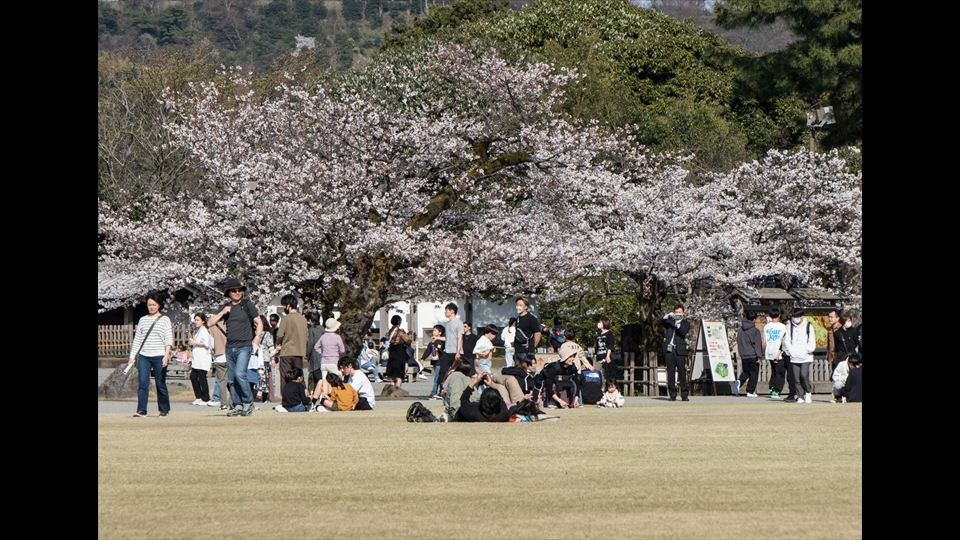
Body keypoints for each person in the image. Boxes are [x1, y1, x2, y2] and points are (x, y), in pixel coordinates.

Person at [206, 277, 263, 417]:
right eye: (234, 291)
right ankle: (237, 404)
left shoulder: (247, 305)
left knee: (240, 374)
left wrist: (256, 337)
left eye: (239, 290)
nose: (237, 293)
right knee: (231, 379)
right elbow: (209, 323)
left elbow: (259, 322)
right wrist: (222, 313)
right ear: (229, 293)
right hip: (230, 346)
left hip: (244, 345)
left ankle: (248, 401)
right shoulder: (226, 307)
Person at [128, 292, 174, 417]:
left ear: (159, 305)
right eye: (149, 305)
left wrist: (166, 355)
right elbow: (137, 339)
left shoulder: (165, 320)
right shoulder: (142, 320)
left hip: (159, 355)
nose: (151, 307)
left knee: (160, 383)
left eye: (154, 305)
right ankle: (141, 409)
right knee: (143, 383)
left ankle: (164, 409)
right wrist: (132, 357)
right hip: (144, 355)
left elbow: (168, 339)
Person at [272, 294, 308, 401]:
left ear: (288, 305)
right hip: (299, 351)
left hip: (287, 351)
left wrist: (278, 344)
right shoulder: (303, 319)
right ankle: (303, 398)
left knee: (285, 377)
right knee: (299, 376)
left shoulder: (285, 319)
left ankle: (286, 400)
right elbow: (306, 336)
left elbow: (280, 335)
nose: (283, 308)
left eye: (284, 305)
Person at [782, 307, 816, 404]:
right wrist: (791, 351)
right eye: (794, 316)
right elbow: (787, 341)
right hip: (794, 356)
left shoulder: (808, 326)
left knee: (803, 375)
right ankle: (800, 395)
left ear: (802, 316)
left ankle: (807, 392)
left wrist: (806, 350)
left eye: (797, 316)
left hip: (806, 356)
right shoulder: (790, 327)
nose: (795, 318)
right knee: (795, 377)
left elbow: (811, 341)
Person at [660, 305, 691, 402]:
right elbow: (660, 323)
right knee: (670, 373)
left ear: (683, 313)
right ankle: (672, 394)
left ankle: (684, 394)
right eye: (676, 312)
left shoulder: (685, 323)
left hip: (680, 351)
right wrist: (667, 316)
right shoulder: (670, 322)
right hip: (670, 350)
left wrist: (678, 324)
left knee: (682, 372)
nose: (678, 314)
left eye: (679, 312)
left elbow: (682, 332)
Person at [540, 343, 581, 409]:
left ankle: (570, 402)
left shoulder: (573, 368)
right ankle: (553, 403)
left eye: (573, 356)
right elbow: (548, 387)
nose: (572, 359)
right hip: (554, 394)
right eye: (570, 357)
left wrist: (576, 400)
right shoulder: (554, 368)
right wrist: (560, 401)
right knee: (554, 385)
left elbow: (577, 385)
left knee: (573, 383)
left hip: (566, 394)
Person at [436, 303, 464, 399]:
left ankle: (459, 391)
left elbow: (459, 338)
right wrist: (437, 338)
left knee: (457, 372)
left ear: (452, 311)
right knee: (442, 371)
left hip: (455, 352)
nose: (445, 312)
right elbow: (447, 338)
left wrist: (458, 352)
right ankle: (442, 390)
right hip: (446, 351)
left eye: (446, 310)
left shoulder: (459, 323)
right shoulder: (447, 324)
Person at [734, 311, 763, 398]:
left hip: (744, 354)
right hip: (753, 354)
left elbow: (738, 341)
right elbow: (757, 344)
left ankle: (739, 381)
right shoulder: (755, 331)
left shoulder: (740, 330)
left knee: (746, 371)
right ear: (754, 319)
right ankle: (750, 391)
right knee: (754, 373)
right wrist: (759, 356)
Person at [188, 312, 213, 406]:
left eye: (198, 320)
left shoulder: (204, 330)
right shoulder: (198, 330)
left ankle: (205, 398)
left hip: (202, 358)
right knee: (193, 377)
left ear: (203, 321)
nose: (196, 322)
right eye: (195, 320)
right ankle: (198, 397)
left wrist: (194, 342)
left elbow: (206, 343)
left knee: (202, 378)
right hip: (196, 359)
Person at [763, 307, 788, 400]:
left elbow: (765, 340)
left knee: (774, 371)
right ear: (779, 315)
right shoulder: (782, 326)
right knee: (780, 372)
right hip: (778, 352)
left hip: (769, 351)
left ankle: (772, 387)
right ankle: (776, 390)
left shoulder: (766, 326)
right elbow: (784, 340)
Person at [206, 316, 230, 409]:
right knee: (232, 381)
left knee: (221, 382)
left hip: (219, 356)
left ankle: (223, 403)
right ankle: (234, 403)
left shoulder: (213, 327)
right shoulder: (231, 325)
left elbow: (211, 345)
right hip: (231, 356)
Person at [249, 315, 273, 403]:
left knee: (261, 377)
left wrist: (273, 357)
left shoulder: (265, 335)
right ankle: (258, 395)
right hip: (257, 359)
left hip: (262, 359)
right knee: (260, 377)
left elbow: (271, 348)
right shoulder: (254, 333)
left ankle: (259, 395)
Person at [315, 317, 346, 384]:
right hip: (334, 361)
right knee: (338, 380)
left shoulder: (323, 336)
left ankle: (323, 393)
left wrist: (322, 353)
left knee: (324, 382)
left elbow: (316, 347)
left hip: (323, 362)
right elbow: (342, 350)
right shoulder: (337, 337)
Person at [385, 315, 412, 387]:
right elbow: (408, 340)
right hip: (400, 351)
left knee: (392, 371)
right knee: (399, 372)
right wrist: (409, 334)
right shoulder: (400, 331)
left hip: (392, 351)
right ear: (399, 322)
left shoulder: (389, 331)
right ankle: (398, 388)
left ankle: (392, 388)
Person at [513, 298, 541, 362]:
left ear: (526, 307)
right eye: (517, 305)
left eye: (520, 305)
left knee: (527, 369)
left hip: (527, 351)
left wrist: (532, 347)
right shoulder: (517, 319)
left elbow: (537, 334)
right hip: (518, 350)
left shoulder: (531, 319)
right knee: (517, 371)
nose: (518, 307)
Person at [424, 325, 446, 399]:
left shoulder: (442, 342)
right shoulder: (432, 342)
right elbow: (428, 351)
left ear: (440, 332)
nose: (433, 332)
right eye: (433, 330)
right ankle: (438, 392)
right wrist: (423, 358)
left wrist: (438, 350)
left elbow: (442, 351)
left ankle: (434, 393)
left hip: (440, 362)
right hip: (435, 362)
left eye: (435, 330)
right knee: (437, 377)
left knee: (437, 378)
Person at [594, 319, 617, 383]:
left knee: (607, 374)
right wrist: (595, 355)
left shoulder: (609, 333)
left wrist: (608, 356)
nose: (599, 324)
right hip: (599, 357)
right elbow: (596, 346)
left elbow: (610, 345)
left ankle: (606, 387)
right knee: (597, 373)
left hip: (606, 356)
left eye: (600, 322)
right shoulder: (599, 334)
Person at [305, 312, 324, 390]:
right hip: (323, 354)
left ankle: (318, 393)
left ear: (310, 320)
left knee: (317, 376)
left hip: (315, 355)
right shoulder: (323, 329)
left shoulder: (311, 329)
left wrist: (307, 354)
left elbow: (310, 343)